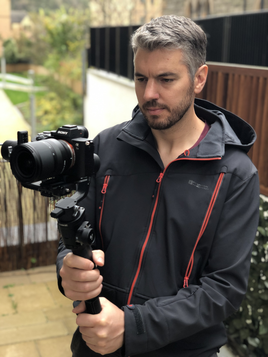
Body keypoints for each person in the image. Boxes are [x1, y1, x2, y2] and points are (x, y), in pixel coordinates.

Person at [57, 15, 260, 357]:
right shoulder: (107, 145)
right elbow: (76, 234)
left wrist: (133, 326)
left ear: (199, 78)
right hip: (96, 342)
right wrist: (68, 268)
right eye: (140, 78)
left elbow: (223, 289)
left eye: (166, 79)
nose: (149, 93)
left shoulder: (236, 175)